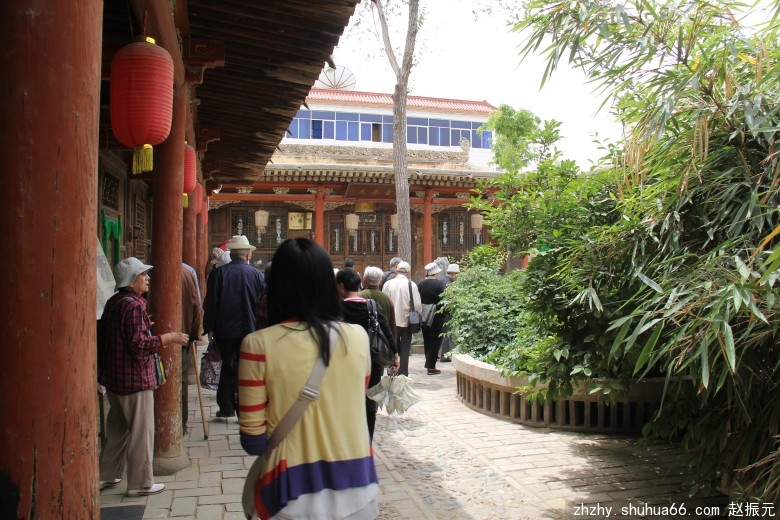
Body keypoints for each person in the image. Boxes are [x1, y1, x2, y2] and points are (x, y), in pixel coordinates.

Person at [238, 238, 379, 519]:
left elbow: (253, 441)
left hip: (289, 493)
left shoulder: (258, 345)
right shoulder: (358, 338)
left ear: (275, 285)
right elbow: (355, 396)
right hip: (358, 489)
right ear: (329, 285)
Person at [98, 257, 189, 496]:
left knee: (117, 429)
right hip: (135, 379)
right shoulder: (134, 306)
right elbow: (139, 345)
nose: (147, 278)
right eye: (142, 275)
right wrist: (169, 337)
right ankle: (140, 483)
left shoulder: (114, 302)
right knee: (141, 433)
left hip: (115, 378)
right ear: (131, 281)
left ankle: (107, 474)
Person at [203, 235, 265, 418]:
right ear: (248, 255)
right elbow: (261, 304)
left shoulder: (219, 274)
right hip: (250, 329)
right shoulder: (257, 275)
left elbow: (212, 303)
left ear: (231, 254)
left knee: (227, 366)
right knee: (247, 369)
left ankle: (227, 407)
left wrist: (209, 327)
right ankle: (245, 408)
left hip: (225, 330)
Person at [336, 267, 399, 440]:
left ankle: (348, 438)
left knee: (346, 399)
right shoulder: (372, 306)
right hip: (372, 361)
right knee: (370, 400)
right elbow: (386, 330)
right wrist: (395, 355)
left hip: (344, 362)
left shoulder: (336, 308)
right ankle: (367, 439)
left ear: (341, 286)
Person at [382, 261, 421, 376]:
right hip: (406, 320)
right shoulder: (411, 285)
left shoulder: (388, 284)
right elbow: (417, 304)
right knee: (405, 348)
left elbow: (384, 301)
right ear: (408, 272)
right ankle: (403, 372)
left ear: (397, 270)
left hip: (391, 321)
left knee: (392, 346)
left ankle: (392, 370)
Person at [180, 262, 202, 435]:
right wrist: (194, 334)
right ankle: (181, 423)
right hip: (183, 336)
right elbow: (197, 305)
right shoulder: (187, 272)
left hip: (158, 338)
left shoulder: (149, 273)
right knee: (181, 380)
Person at [418, 262, 446, 375]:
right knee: (435, 341)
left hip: (423, 316)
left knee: (427, 340)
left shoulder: (420, 285)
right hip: (436, 317)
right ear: (435, 273)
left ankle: (428, 363)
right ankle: (431, 366)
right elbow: (444, 302)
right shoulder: (440, 285)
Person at [360, 266, 396, 340]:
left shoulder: (359, 296)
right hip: (382, 340)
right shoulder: (387, 298)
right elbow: (392, 324)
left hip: (364, 338)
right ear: (380, 282)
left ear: (364, 280)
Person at [439, 263, 460, 361]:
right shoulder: (449, 283)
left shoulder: (442, 281)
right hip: (447, 312)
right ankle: (445, 355)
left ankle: (443, 354)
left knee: (443, 334)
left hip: (440, 311)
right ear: (454, 274)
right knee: (447, 334)